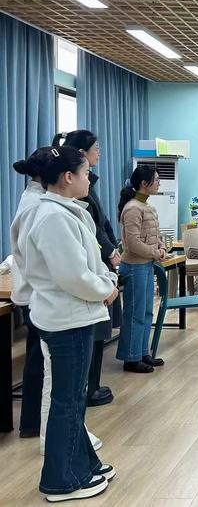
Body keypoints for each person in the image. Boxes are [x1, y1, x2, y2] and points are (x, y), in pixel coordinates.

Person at [22, 146, 116, 501]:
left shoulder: (64, 210)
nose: (90, 178)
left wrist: (104, 278)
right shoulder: (52, 217)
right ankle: (60, 482)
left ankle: (84, 465)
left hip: (72, 315)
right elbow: (72, 275)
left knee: (73, 398)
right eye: (85, 172)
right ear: (67, 177)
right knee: (67, 401)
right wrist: (105, 289)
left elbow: (87, 261)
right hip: (66, 318)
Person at [55, 130, 120, 406]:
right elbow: (94, 230)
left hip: (99, 269)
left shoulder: (84, 190)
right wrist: (110, 253)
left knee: (98, 332)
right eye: (96, 147)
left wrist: (112, 250)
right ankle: (88, 389)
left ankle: (90, 386)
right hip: (88, 281)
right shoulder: (57, 210)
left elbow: (101, 224)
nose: (99, 152)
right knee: (93, 333)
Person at [10, 149, 49, 438]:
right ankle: (32, 422)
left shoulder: (34, 198)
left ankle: (32, 421)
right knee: (38, 359)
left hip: (35, 290)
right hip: (38, 292)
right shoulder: (37, 204)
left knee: (37, 356)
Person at [116, 165, 166, 373]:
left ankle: (142, 352)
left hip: (146, 265)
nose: (159, 183)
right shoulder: (132, 209)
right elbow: (133, 243)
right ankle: (131, 357)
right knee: (134, 313)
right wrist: (155, 252)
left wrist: (161, 248)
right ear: (144, 183)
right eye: (156, 180)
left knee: (146, 312)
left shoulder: (148, 207)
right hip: (134, 267)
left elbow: (155, 235)